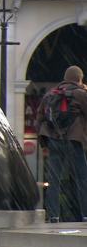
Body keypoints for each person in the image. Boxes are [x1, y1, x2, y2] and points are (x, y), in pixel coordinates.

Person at [35, 65, 87, 222]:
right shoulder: (81, 94)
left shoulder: (50, 95)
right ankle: (85, 214)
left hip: (54, 140)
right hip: (74, 139)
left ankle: (53, 215)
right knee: (82, 178)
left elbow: (39, 120)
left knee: (54, 180)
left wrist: (44, 143)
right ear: (79, 78)